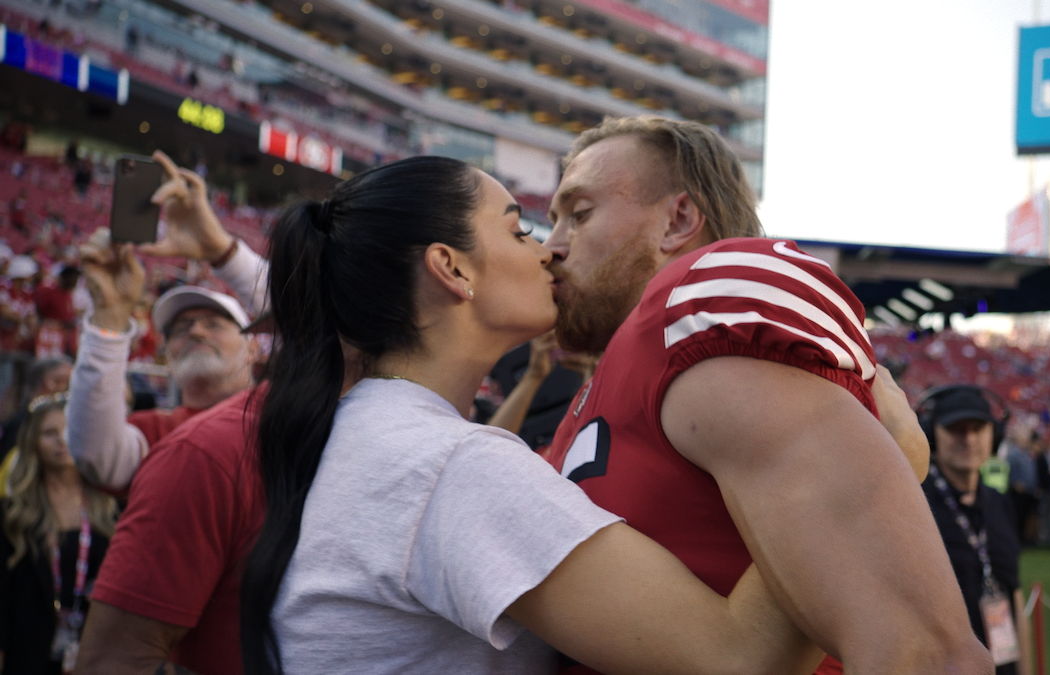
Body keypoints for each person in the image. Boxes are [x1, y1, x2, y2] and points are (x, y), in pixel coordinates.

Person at [238, 155, 822, 675]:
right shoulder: (451, 466)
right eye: (520, 232)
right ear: (452, 268)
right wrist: (889, 449)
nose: (548, 251)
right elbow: (741, 657)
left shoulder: (374, 432)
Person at [539, 115, 989, 674]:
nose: (549, 248)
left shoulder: (701, 300)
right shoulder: (597, 390)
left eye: (579, 215)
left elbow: (923, 654)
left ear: (678, 220)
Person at [67, 151, 267, 492]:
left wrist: (221, 250)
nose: (196, 331)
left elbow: (324, 320)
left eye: (214, 324)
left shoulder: (282, 415)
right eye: (180, 328)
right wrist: (111, 315)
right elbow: (96, 455)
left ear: (252, 349)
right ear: (169, 356)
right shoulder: (152, 432)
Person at [917, 386, 1031, 675]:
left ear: (995, 436)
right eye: (955, 428)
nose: (968, 438)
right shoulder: (914, 503)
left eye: (978, 428)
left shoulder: (1001, 503)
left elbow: (1014, 597)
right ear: (931, 434)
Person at [0, 393, 117, 674]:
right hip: (27, 654)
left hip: (97, 653)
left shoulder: (111, 505)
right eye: (49, 432)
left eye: (68, 429)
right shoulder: (13, 513)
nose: (61, 440)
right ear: (32, 442)